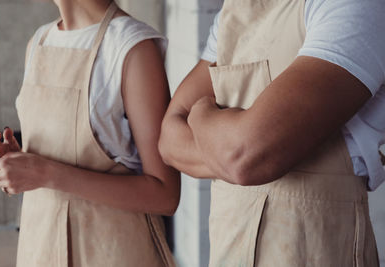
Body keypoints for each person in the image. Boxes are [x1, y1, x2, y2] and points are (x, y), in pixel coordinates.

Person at [159, 0, 384, 266]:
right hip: (229, 247)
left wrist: (200, 113)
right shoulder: (233, 13)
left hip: (316, 248)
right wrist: (232, 146)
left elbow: (244, 156)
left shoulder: (350, 5)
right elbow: (169, 142)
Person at [0, 0, 179, 266]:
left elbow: (165, 195)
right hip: (39, 248)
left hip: (112, 252)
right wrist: (16, 166)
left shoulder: (132, 48)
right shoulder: (39, 42)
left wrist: (45, 173)